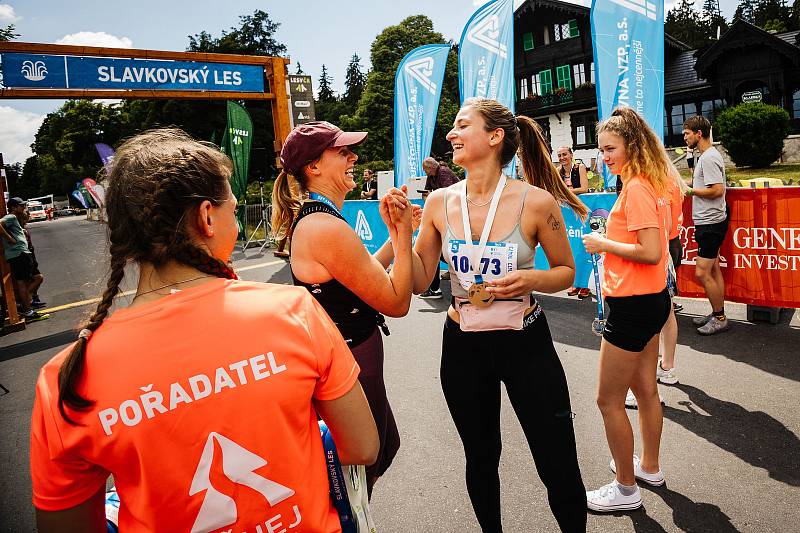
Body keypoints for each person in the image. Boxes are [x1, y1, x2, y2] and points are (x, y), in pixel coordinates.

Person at [30, 128, 379, 532]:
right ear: (207, 217)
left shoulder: (65, 375)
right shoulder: (293, 311)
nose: (235, 218)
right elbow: (362, 446)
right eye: (232, 209)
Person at [402, 98, 588, 531]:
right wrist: (401, 233)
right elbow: (418, 282)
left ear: (495, 136)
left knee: (556, 460)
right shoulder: (438, 203)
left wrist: (529, 280)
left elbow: (565, 272)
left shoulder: (537, 202)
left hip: (525, 343)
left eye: (461, 125)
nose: (451, 134)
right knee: (481, 459)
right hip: (463, 345)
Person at [272, 120, 414, 497]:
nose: (354, 157)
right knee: (358, 474)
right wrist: (404, 235)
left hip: (350, 354)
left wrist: (393, 234)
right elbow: (397, 301)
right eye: (342, 151)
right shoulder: (323, 226)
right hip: (349, 360)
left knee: (380, 451)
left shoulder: (319, 216)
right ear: (313, 167)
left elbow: (363, 274)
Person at [582, 107, 672, 512]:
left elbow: (652, 252)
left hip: (633, 306)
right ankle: (648, 468)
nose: (604, 156)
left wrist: (603, 244)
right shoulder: (648, 183)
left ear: (632, 145)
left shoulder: (636, 188)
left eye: (610, 148)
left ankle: (624, 488)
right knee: (646, 390)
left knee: (608, 401)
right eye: (601, 149)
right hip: (651, 302)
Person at [683, 115, 730, 335]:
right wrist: (684, 183)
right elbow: (701, 182)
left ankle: (719, 317)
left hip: (711, 223)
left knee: (702, 272)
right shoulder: (705, 156)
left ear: (698, 134)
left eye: (687, 133)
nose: (684, 138)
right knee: (713, 268)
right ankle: (717, 312)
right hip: (709, 222)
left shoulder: (710, 157)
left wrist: (690, 191)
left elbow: (717, 190)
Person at [419, 157, 461, 299]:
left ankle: (435, 288)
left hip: (455, 215)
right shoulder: (432, 175)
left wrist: (433, 198)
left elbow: (449, 196)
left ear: (431, 167)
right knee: (439, 249)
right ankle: (443, 277)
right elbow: (426, 194)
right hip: (443, 215)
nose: (425, 174)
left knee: (435, 249)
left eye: (426, 170)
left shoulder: (444, 172)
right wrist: (430, 199)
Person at [1, 197, 49, 322]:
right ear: (13, 207)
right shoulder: (10, 217)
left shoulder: (15, 219)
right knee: (24, 282)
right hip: (19, 253)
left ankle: (26, 304)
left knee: (36, 278)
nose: (23, 207)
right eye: (21, 206)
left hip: (20, 253)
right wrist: (9, 239)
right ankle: (27, 309)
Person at [556, 146, 591, 299]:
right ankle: (576, 283)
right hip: (567, 213)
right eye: (559, 155)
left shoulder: (580, 167)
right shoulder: (558, 171)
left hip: (580, 210)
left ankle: (585, 285)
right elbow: (555, 189)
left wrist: (565, 193)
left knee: (583, 247)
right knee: (571, 248)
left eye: (564, 154)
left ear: (571, 155)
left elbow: (584, 188)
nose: (562, 157)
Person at [19, 210, 46, 308]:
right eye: (25, 218)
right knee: (37, 278)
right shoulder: (20, 230)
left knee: (35, 279)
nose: (27, 220)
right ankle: (28, 300)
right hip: (26, 257)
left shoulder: (23, 229)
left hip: (30, 256)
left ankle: (33, 298)